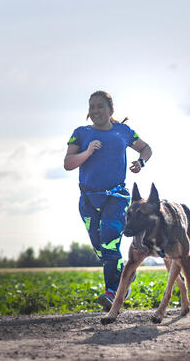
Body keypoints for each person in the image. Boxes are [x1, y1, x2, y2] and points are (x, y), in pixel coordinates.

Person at [64, 90, 152, 311]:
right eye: (92, 107)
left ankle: (112, 292)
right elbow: (68, 163)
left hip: (116, 197)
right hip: (88, 200)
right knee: (100, 248)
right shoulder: (80, 134)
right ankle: (125, 275)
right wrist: (88, 152)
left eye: (100, 106)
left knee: (109, 242)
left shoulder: (123, 132)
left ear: (111, 110)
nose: (95, 111)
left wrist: (140, 163)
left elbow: (146, 148)